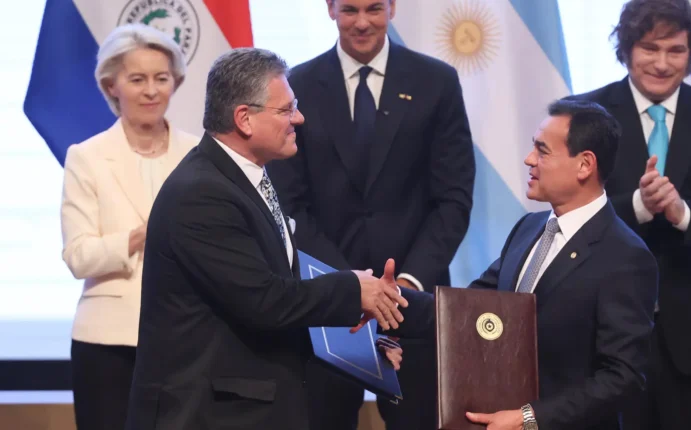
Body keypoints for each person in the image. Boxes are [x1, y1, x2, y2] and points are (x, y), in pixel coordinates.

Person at [124, 47, 408, 430]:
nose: (299, 118)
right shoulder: (202, 193)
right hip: (211, 415)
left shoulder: (241, 176)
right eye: (286, 109)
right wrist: (354, 290)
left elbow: (277, 292)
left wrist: (362, 348)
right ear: (244, 118)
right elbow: (265, 301)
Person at [387, 100, 659, 430]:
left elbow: (623, 377)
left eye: (542, 151)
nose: (529, 159)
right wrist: (387, 300)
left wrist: (529, 419)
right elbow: (462, 311)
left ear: (584, 164)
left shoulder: (625, 257)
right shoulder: (529, 228)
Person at [267, 0, 475, 429]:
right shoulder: (296, 87)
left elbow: (453, 199)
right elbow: (290, 205)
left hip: (413, 303)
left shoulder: (436, 82)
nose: (362, 22)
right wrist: (350, 287)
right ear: (330, 9)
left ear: (393, 8)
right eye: (350, 10)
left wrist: (406, 285)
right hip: (328, 304)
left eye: (374, 8)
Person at [570, 1, 691, 428]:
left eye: (675, 50)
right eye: (649, 48)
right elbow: (568, 216)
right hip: (601, 339)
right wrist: (640, 206)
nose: (661, 63)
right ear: (626, 48)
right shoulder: (581, 116)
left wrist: (681, 212)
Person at [60, 23, 198, 430]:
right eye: (137, 79)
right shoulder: (86, 157)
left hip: (187, 338)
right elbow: (78, 256)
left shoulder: (199, 154)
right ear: (111, 85)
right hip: (107, 343)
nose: (151, 91)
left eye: (162, 78)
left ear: (176, 82)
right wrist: (142, 235)